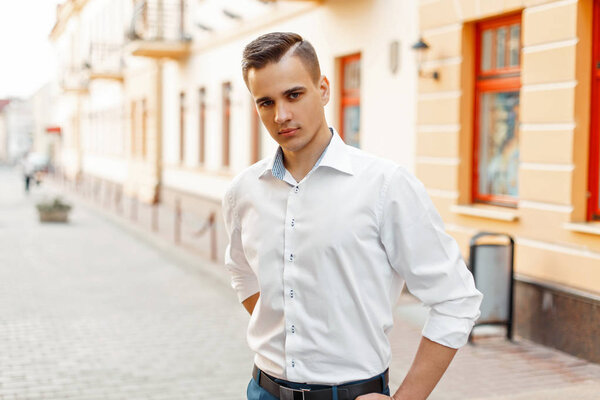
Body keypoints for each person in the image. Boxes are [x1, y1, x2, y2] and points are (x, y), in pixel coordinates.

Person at [222, 32, 483, 400]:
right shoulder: (243, 190)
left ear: (324, 89)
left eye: (294, 95)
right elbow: (241, 271)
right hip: (262, 391)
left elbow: (456, 299)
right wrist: (288, 327)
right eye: (266, 102)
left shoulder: (385, 185)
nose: (281, 115)